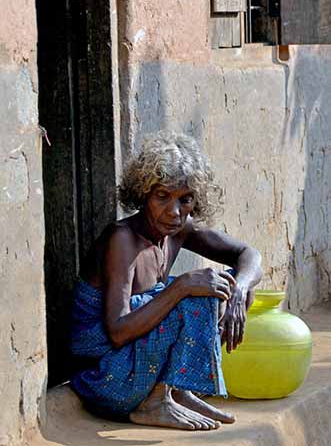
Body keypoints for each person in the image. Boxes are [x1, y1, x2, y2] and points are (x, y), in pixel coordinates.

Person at [70, 132, 262, 431]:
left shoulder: (177, 229)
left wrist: (239, 291)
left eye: (184, 200)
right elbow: (118, 332)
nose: (174, 212)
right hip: (105, 378)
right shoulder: (122, 239)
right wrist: (181, 287)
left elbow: (248, 255)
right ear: (143, 194)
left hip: (133, 368)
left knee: (215, 283)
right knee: (192, 289)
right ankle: (154, 402)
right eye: (162, 196)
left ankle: (174, 390)